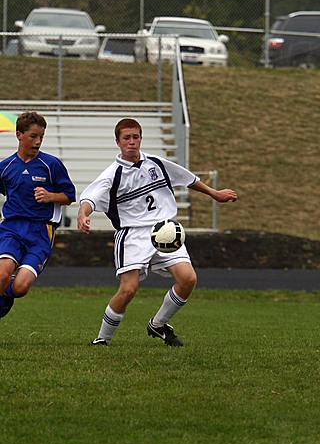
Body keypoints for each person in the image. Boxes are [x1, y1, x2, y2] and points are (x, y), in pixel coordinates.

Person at [77, 118, 237, 347]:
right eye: (126, 138)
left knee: (188, 279)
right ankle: (103, 339)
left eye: (135, 137)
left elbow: (187, 179)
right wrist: (83, 214)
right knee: (128, 290)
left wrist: (214, 193)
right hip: (132, 235)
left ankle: (158, 324)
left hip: (165, 230)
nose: (131, 142)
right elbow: (89, 198)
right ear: (117, 142)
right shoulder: (112, 174)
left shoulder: (156, 163)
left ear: (141, 138)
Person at [0, 111, 76, 319]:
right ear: (19, 135)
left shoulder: (51, 165)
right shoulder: (5, 167)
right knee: (2, 273)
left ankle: (7, 293)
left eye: (41, 136)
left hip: (41, 231)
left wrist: (50, 196)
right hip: (11, 228)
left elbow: (69, 196)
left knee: (20, 287)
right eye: (33, 136)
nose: (38, 141)